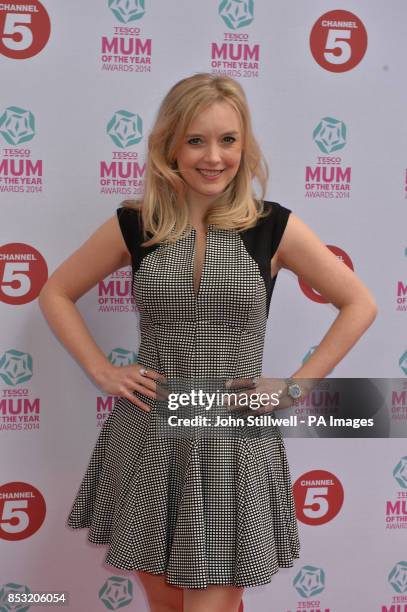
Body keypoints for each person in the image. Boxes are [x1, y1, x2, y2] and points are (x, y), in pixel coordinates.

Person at [38, 73, 377, 612]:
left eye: (228, 140)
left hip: (233, 444)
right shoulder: (136, 224)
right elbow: (55, 292)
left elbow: (360, 303)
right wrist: (104, 370)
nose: (213, 157)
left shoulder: (272, 226)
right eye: (196, 140)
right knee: (167, 604)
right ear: (170, 145)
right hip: (148, 438)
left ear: (245, 146)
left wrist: (295, 387)